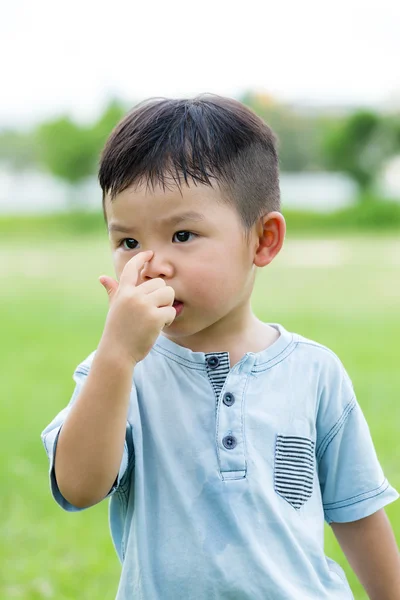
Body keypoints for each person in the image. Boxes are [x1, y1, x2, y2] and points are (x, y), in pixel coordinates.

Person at [41, 95, 400, 599]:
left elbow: (358, 512)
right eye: (127, 243)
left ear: (263, 240)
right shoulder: (118, 373)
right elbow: (79, 487)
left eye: (182, 234)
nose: (152, 265)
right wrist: (117, 357)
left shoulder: (315, 372)